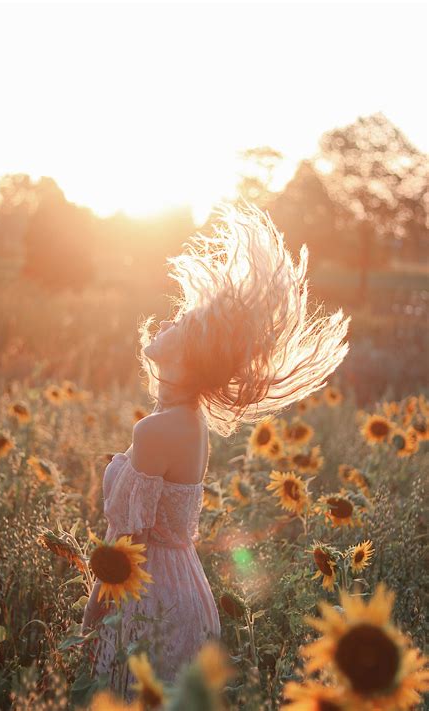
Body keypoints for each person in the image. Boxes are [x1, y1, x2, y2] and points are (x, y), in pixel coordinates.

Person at [81, 199, 351, 698]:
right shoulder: (189, 423)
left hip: (148, 602)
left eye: (182, 325)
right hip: (185, 595)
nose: (167, 323)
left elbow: (125, 546)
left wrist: (88, 622)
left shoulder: (158, 431)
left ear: (190, 360)